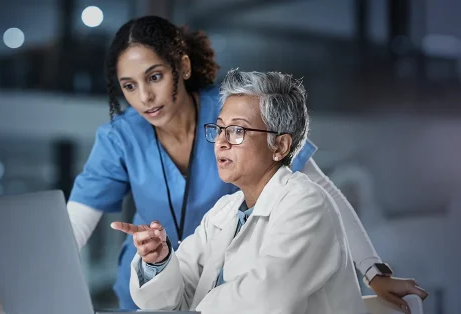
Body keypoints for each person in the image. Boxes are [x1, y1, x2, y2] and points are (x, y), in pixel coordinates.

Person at [67, 15, 428, 311]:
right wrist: (157, 259)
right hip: (168, 287)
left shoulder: (235, 112)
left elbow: (322, 193)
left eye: (155, 77)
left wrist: (372, 270)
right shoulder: (127, 140)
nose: (144, 97)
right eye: (129, 86)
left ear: (183, 67)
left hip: (228, 293)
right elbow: (71, 231)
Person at [112, 69, 368, 314]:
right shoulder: (225, 211)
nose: (221, 142)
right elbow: (173, 299)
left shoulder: (306, 204)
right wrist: (159, 261)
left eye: (237, 130)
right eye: (220, 128)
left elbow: (267, 301)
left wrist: (198, 305)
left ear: (279, 145)